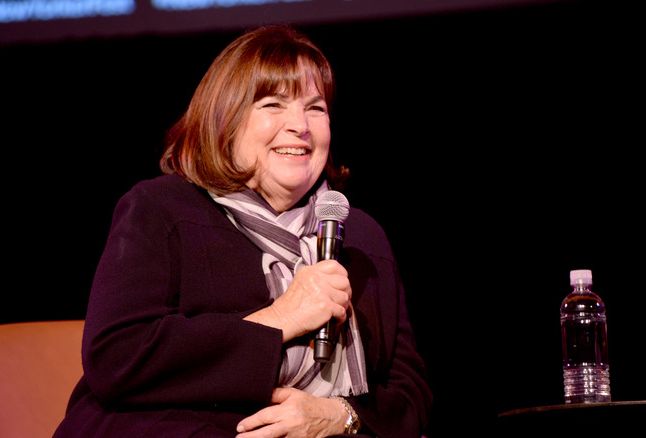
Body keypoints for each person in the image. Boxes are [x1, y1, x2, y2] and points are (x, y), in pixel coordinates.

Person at [53, 25, 431, 438]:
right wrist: (281, 317)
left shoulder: (359, 235)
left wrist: (338, 414)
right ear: (226, 120)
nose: (300, 126)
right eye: (273, 104)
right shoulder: (162, 209)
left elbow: (410, 394)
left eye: (316, 108)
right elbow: (117, 357)